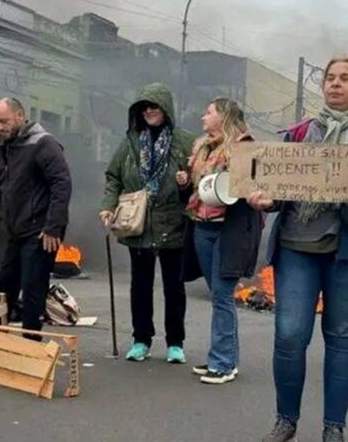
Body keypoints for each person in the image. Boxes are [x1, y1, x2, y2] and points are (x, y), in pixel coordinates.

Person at [248, 57, 348, 441]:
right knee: (289, 334)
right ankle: (286, 420)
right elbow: (277, 188)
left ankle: (334, 427)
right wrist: (264, 200)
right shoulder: (299, 134)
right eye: (330, 78)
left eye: (345, 78)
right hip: (297, 245)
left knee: (341, 337)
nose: (335, 84)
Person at [99, 83, 194, 363]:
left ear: (166, 108)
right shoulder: (129, 143)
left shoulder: (185, 142)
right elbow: (113, 177)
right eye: (144, 107)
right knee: (140, 285)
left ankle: (175, 343)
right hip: (137, 223)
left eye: (154, 106)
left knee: (173, 286)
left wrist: (186, 183)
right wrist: (107, 206)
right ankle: (141, 340)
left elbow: (200, 178)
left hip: (172, 222)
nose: (149, 111)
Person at [0, 98, 71, 335]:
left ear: (20, 116)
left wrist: (54, 226)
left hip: (41, 230)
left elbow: (61, 185)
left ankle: (30, 342)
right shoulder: (1, 150)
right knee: (7, 286)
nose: (0, 128)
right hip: (16, 230)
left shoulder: (44, 144)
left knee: (33, 287)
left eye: (4, 121)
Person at [176, 97, 262, 384]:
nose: (203, 117)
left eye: (208, 112)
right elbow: (195, 186)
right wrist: (183, 181)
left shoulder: (244, 147)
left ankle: (223, 364)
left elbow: (251, 188)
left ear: (223, 116)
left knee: (223, 297)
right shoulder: (201, 147)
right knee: (218, 296)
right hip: (202, 226)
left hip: (230, 230)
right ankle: (226, 358)